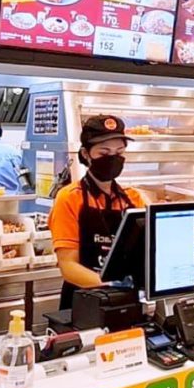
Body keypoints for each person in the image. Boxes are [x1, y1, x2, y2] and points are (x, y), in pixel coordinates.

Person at [48, 115, 145, 310]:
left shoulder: (132, 198)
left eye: (119, 152)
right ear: (86, 154)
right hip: (83, 302)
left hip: (127, 301)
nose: (112, 158)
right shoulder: (69, 197)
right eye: (104, 152)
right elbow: (68, 266)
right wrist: (110, 285)